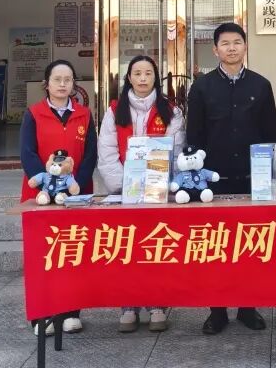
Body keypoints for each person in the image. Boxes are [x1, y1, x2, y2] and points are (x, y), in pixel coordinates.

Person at [186, 22, 276, 335]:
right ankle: (217, 311)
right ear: (215, 50)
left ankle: (248, 308)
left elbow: (270, 135)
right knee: (215, 247)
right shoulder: (201, 87)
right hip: (214, 181)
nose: (232, 48)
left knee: (251, 245)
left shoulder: (261, 85)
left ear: (245, 46)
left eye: (237, 42)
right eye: (225, 43)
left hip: (252, 178)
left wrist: (271, 176)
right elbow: (194, 137)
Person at [98, 54, 185, 333]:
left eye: (148, 73)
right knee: (127, 248)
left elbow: (175, 151)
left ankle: (157, 304)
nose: (143, 78)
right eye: (137, 73)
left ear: (155, 77)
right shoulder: (115, 110)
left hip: (157, 192)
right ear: (129, 78)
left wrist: (156, 185)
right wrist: (125, 187)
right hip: (125, 194)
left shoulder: (171, 111)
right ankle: (128, 305)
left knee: (156, 246)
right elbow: (107, 151)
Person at [19, 59, 96, 336]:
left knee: (73, 251)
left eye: (68, 79)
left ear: (74, 84)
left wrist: (75, 185)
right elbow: (27, 153)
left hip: (75, 195)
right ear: (47, 83)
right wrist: (47, 184)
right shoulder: (34, 114)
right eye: (57, 79)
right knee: (42, 254)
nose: (63, 84)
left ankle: (71, 312)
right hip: (40, 194)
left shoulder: (84, 115)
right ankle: (42, 315)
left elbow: (90, 155)